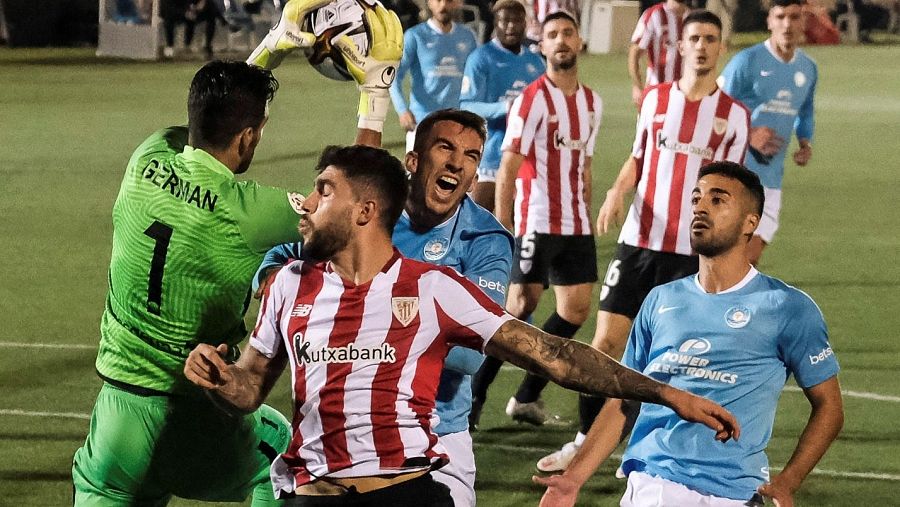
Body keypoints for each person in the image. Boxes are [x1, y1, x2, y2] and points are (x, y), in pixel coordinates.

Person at [183, 143, 740, 506]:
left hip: (403, 495)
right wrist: (220, 379)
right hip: (313, 495)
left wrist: (666, 392)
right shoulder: (290, 284)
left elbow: (555, 356)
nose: (305, 203)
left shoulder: (432, 288)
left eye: (324, 190)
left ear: (365, 211)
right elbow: (251, 386)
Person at [536, 161, 844, 507]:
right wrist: (573, 478)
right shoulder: (661, 300)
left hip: (736, 494)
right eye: (696, 198)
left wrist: (788, 481)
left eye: (718, 200)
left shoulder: (786, 307)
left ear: (750, 223)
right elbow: (624, 400)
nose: (700, 207)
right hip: (654, 485)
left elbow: (829, 407)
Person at [254, 109, 514, 506]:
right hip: (335, 435)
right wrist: (271, 273)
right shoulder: (375, 211)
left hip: (435, 435)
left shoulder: (485, 239)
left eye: (471, 155)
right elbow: (290, 252)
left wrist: (368, 336)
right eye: (445, 147)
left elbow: (469, 356)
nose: (456, 163)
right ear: (413, 161)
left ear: (475, 177)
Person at [71, 60, 301, 507]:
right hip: (194, 415)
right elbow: (352, 206)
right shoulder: (253, 212)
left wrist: (266, 54)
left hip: (118, 413)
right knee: (286, 455)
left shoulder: (146, 159)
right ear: (249, 135)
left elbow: (197, 125)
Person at [537, 10, 750, 472]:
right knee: (606, 344)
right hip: (639, 243)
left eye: (710, 39)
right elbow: (639, 155)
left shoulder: (734, 117)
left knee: (678, 357)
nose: (701, 46)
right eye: (694, 38)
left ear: (721, 49)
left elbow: (729, 191)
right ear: (680, 47)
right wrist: (616, 191)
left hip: (690, 255)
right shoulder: (654, 99)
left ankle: (657, 447)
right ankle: (582, 442)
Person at [470, 11, 602, 428]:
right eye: (551, 36)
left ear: (579, 41)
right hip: (537, 219)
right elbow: (508, 166)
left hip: (575, 223)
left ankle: (527, 396)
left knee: (576, 310)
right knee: (517, 308)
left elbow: (584, 164)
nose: (561, 40)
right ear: (541, 47)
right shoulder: (532, 99)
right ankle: (473, 397)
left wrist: (588, 205)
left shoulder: (592, 101)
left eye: (567, 33)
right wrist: (504, 228)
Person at [719, 0, 818, 265]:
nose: (787, 24)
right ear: (770, 22)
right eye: (781, 16)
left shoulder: (808, 68)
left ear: (803, 22)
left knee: (747, 261)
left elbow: (805, 108)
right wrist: (749, 133)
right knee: (734, 262)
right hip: (735, 174)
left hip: (771, 179)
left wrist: (805, 142)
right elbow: (714, 106)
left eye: (794, 17)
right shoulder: (746, 61)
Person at [459, 0, 545, 212]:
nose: (511, 26)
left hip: (527, 159)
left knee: (520, 230)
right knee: (478, 227)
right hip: (491, 157)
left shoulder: (536, 62)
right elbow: (467, 106)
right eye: (504, 20)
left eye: (517, 20)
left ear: (525, 23)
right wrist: (508, 107)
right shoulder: (481, 58)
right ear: (495, 23)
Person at [389, 0, 478, 152]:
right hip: (423, 121)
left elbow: (476, 77)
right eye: (438, 1)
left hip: (457, 121)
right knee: (418, 174)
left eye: (448, 1)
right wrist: (402, 110)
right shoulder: (415, 36)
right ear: (429, 3)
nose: (443, 6)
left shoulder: (467, 37)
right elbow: (394, 76)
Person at [628, 0, 689, 107]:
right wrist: (637, 86)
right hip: (657, 91)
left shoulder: (693, 18)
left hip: (686, 93)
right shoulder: (654, 14)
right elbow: (635, 52)